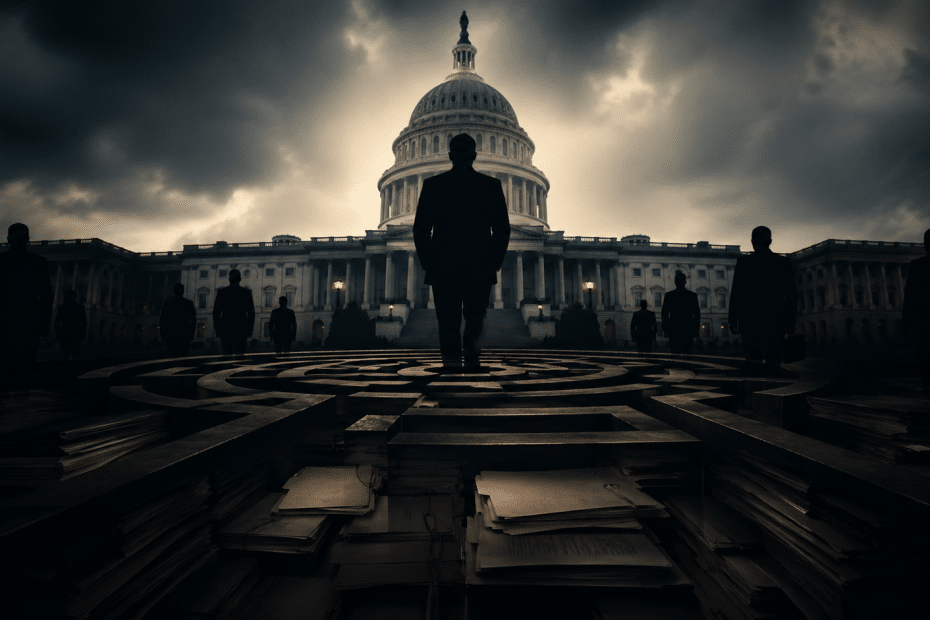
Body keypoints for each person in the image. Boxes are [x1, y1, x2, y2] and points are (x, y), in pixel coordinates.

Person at [413, 133, 510, 370]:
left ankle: (451, 364)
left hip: (444, 266)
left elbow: (421, 230)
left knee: (447, 319)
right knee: (476, 316)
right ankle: (473, 359)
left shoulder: (433, 185)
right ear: (474, 157)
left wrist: (430, 263)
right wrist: (493, 263)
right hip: (478, 265)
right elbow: (502, 230)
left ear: (450, 156)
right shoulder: (491, 185)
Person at [728, 226, 797, 373]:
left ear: (752, 241)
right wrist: (791, 322)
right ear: (770, 241)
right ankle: (774, 393)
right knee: (774, 364)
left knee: (753, 364)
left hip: (750, 321)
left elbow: (736, 294)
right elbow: (791, 296)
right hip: (775, 320)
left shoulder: (744, 263)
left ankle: (756, 393)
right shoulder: (783, 263)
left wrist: (733, 319)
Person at [0, 223, 53, 398]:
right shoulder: (38, 262)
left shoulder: (2, 261)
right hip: (29, 321)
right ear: (28, 240)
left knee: (5, 364)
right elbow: (46, 297)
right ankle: (21, 401)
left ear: (8, 239)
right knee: (26, 365)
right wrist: (45, 322)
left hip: (5, 321)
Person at [902, 228, 930, 392]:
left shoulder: (917, 265)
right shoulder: (917, 265)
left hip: (922, 321)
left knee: (926, 360)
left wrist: (906, 323)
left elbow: (910, 296)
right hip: (922, 322)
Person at [212, 269, 255, 356]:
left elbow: (216, 312)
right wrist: (250, 329)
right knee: (240, 354)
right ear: (240, 279)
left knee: (227, 355)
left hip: (226, 327)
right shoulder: (246, 292)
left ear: (229, 279)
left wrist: (218, 329)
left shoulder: (222, 292)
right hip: (241, 328)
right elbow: (251, 313)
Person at [661, 271, 701, 356]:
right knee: (687, 355)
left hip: (674, 329)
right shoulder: (692, 295)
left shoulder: (669, 295)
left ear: (675, 282)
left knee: (675, 355)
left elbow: (664, 314)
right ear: (685, 282)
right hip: (688, 329)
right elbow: (697, 314)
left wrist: (665, 329)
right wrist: (696, 329)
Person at [160, 283, 196, 357]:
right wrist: (191, 334)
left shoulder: (168, 303)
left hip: (171, 333)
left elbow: (163, 320)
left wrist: (163, 334)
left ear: (174, 291)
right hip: (184, 333)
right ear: (183, 291)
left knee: (172, 356)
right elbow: (193, 321)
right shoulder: (189, 303)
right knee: (183, 356)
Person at [55, 290, 87, 360]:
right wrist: (82, 335)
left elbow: (57, 321)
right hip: (76, 333)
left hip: (65, 332)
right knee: (74, 354)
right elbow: (84, 322)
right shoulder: (80, 307)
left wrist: (57, 334)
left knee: (65, 354)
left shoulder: (62, 307)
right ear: (75, 297)